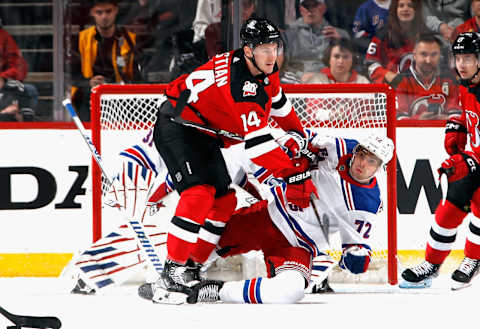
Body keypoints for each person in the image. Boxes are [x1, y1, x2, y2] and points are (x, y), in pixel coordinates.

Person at [152, 17, 316, 296]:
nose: (271, 54)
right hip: (178, 126)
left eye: (275, 46)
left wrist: (298, 135)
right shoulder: (242, 84)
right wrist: (293, 171)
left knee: (224, 200)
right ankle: (171, 273)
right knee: (199, 194)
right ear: (248, 50)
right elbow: (258, 146)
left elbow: (278, 103)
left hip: (203, 131)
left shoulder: (264, 67)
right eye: (263, 48)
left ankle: (191, 267)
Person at [185, 133, 394, 304]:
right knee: (199, 247)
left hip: (297, 246)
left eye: (372, 161)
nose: (363, 164)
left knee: (289, 292)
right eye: (362, 155)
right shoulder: (336, 146)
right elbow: (296, 140)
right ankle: (176, 277)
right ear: (356, 150)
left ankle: (216, 290)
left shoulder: (367, 203)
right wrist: (295, 162)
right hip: (268, 216)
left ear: (380, 167)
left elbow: (357, 246)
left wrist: (356, 258)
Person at [400, 32, 480, 291]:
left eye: (469, 57)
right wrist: (456, 125)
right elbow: (469, 117)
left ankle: (473, 259)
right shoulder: (467, 86)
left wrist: (468, 162)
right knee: (448, 208)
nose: (462, 64)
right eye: (459, 58)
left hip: (476, 162)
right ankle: (432, 264)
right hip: (476, 162)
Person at [69, 0, 142, 121]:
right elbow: (73, 75)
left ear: (116, 11)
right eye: (99, 12)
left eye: (108, 11)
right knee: (84, 97)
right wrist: (89, 82)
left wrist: (122, 84)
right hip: (88, 94)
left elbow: (136, 75)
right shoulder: (81, 39)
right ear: (92, 13)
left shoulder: (129, 39)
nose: (104, 17)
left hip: (120, 95)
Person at [391, 33, 461, 120]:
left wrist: (446, 120)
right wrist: (419, 120)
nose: (428, 60)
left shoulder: (449, 80)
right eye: (424, 54)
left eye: (434, 55)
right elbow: (398, 118)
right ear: (414, 55)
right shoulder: (400, 81)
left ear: (439, 56)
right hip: (411, 133)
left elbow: (456, 113)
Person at [281, 0, 350, 84]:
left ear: (324, 8)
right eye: (306, 6)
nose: (310, 10)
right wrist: (300, 75)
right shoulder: (288, 34)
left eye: (314, 5)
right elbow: (282, 66)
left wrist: (341, 42)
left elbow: (350, 64)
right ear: (301, 9)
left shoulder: (339, 34)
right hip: (296, 80)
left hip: (329, 80)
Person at [365, 0, 430, 84]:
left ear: (416, 10)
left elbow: (435, 64)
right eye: (401, 6)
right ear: (395, 9)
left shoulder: (426, 35)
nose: (405, 9)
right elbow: (370, 63)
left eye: (410, 6)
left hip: (420, 90)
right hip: (390, 89)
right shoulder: (382, 34)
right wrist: (387, 75)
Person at [303, 38, 370, 83]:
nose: (340, 61)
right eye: (336, 57)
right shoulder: (317, 81)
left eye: (345, 57)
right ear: (329, 59)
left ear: (353, 60)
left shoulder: (362, 82)